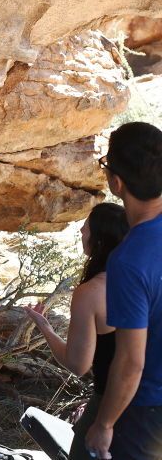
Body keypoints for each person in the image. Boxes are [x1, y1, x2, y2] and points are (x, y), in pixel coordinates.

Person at [24, 203, 129, 460]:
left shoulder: (91, 292)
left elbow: (77, 364)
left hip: (110, 403)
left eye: (87, 226)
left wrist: (45, 327)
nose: (82, 229)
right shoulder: (144, 277)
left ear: (99, 238)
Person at [85, 121, 162, 460]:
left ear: (117, 183)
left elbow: (131, 362)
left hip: (145, 412)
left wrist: (104, 424)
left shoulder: (128, 261)